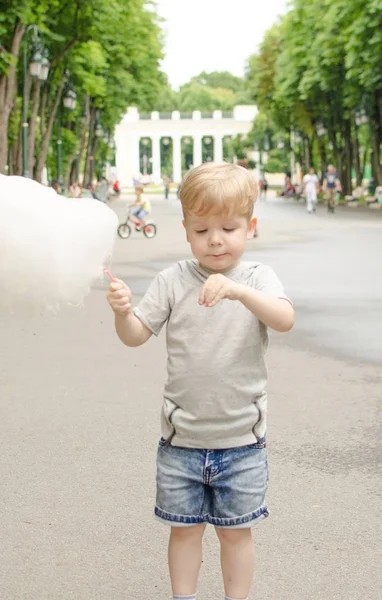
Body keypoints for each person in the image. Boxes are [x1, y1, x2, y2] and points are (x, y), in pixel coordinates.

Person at [107, 162, 294, 600]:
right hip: (181, 440)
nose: (215, 239)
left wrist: (239, 292)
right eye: (202, 229)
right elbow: (136, 336)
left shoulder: (258, 278)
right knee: (184, 532)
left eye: (228, 228)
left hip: (243, 440)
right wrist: (121, 312)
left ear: (250, 227)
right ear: (186, 230)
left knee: (236, 535)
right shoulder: (172, 280)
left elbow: (284, 319)